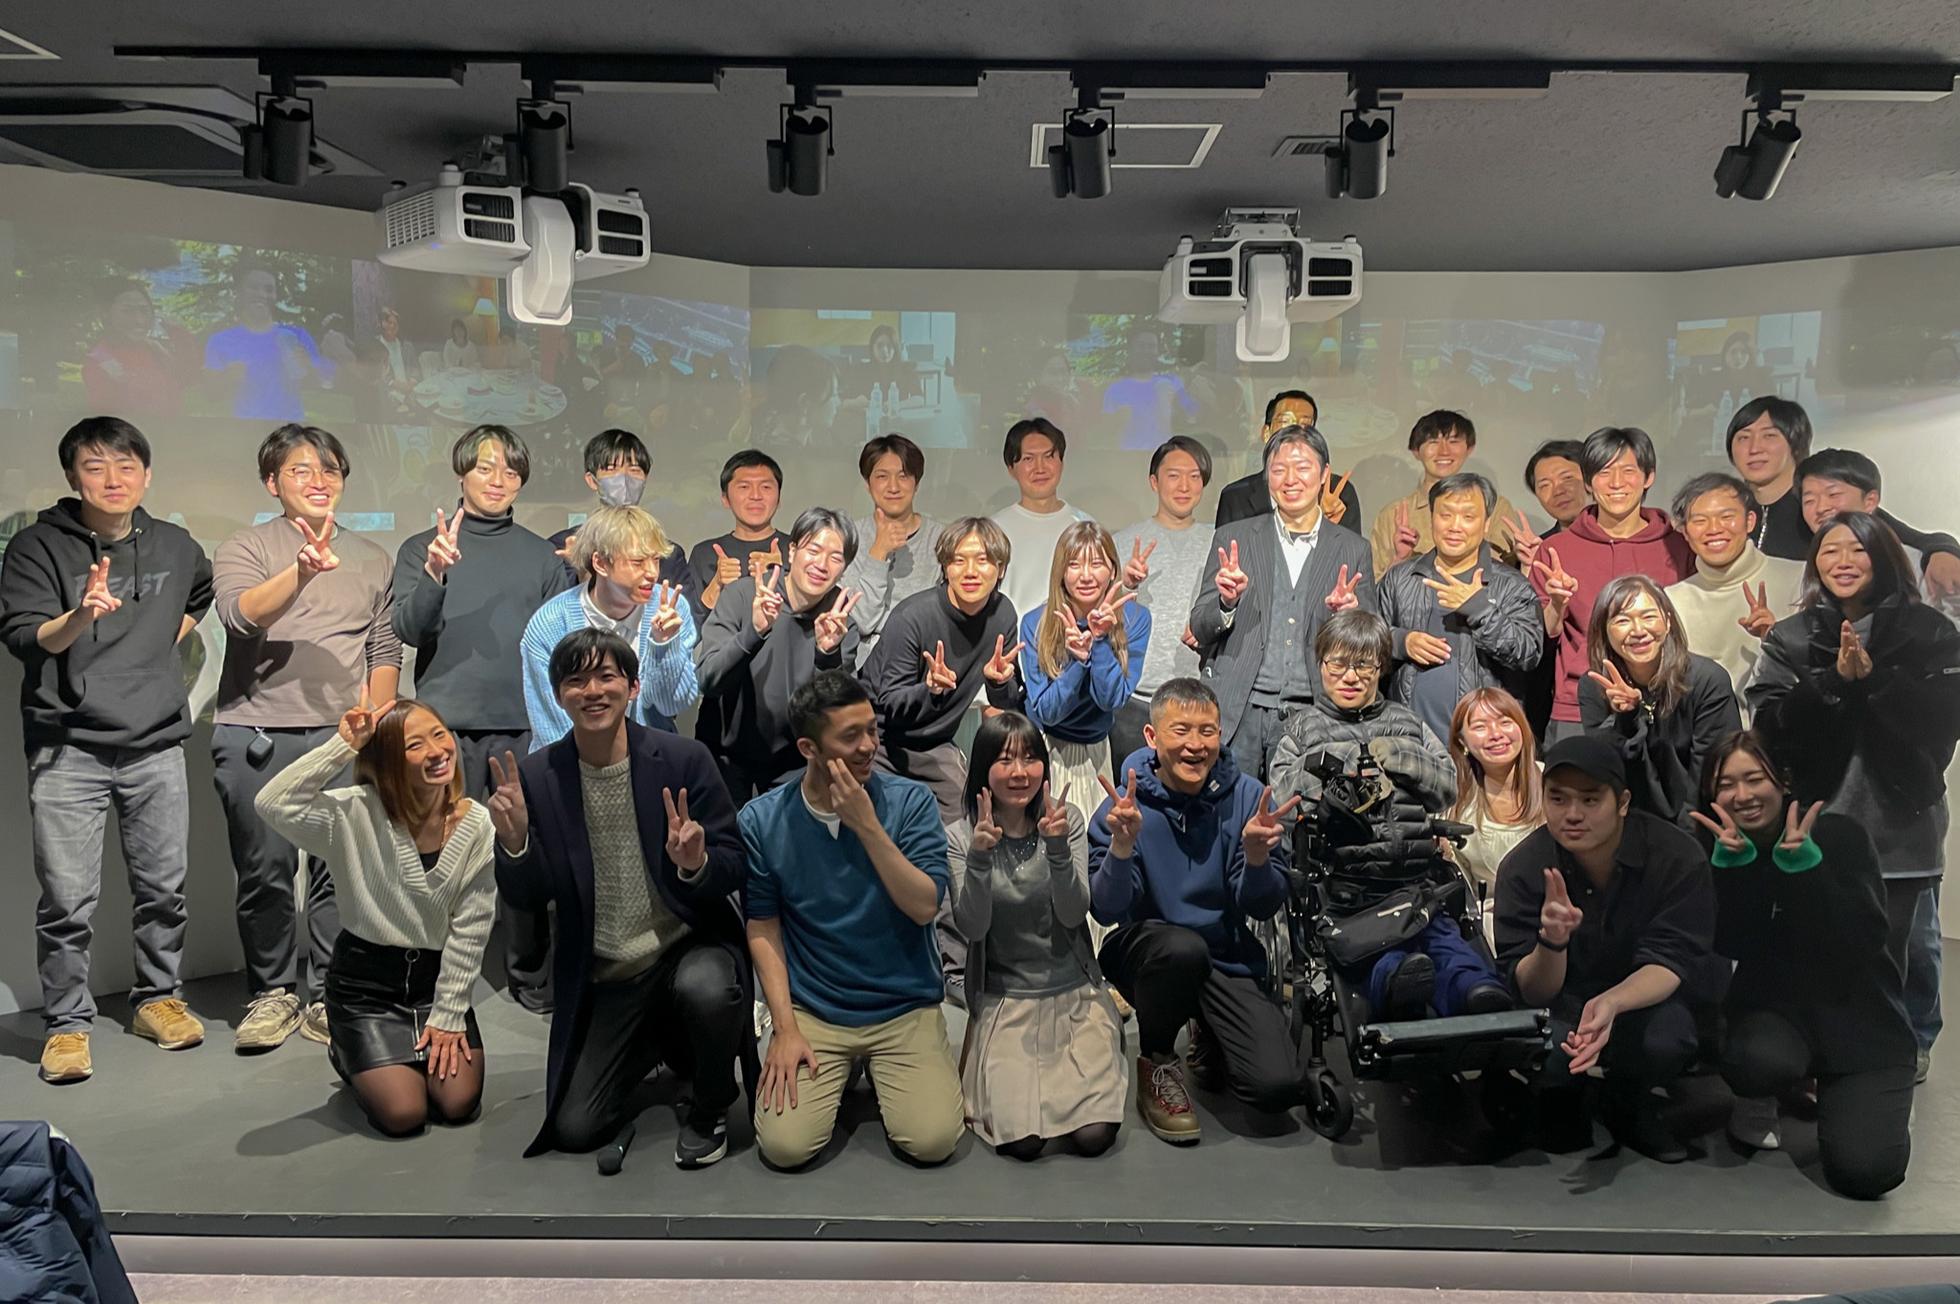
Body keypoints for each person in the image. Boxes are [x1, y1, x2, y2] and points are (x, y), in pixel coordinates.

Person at [0, 417, 214, 1084]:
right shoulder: (35, 546)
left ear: (146, 474)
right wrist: (83, 617)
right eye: (95, 467)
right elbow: (24, 637)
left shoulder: (175, 544)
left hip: (155, 742)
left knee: (164, 889)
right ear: (73, 477)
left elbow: (200, 595)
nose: (113, 479)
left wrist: (153, 651)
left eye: (126, 466)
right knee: (67, 901)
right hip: (67, 747)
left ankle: (159, 998)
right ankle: (67, 1024)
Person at [490, 629, 750, 1166]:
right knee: (575, 1128)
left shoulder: (683, 759)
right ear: (558, 694)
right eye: (576, 680)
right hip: (608, 973)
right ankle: (655, 1043)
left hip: (684, 950)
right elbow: (528, 897)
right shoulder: (539, 777)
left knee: (707, 988)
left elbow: (735, 862)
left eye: (606, 676)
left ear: (632, 687)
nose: (592, 691)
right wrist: (515, 844)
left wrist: (696, 862)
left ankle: (711, 1106)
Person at [1748, 511, 1960, 1084]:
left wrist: (1877, 682)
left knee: (1896, 949)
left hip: (1903, 817)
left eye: (1857, 549)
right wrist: (1835, 683)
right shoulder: (1793, 635)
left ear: (1883, 556)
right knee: (1819, 943)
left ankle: (1894, 1056)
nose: (1842, 562)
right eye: (1829, 551)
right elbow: (1769, 724)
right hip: (1818, 817)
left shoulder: (1929, 631)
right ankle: (1828, 1054)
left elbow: (1944, 720)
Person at [211, 424, 401, 1053]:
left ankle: (327, 993)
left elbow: (383, 647)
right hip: (257, 733)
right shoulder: (247, 545)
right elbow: (241, 617)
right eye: (300, 470)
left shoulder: (371, 556)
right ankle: (272, 993)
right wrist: (300, 570)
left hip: (342, 739)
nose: (319, 482)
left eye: (330, 471)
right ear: (272, 482)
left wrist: (372, 720)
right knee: (264, 871)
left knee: (337, 873)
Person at [743, 671, 963, 1169]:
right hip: (816, 1009)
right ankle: (843, 1070)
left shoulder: (910, 803)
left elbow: (924, 906)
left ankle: (882, 1069)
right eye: (850, 736)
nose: (868, 746)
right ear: (809, 748)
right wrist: (784, 1027)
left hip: (903, 1004)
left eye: (871, 730)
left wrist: (866, 826)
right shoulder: (762, 820)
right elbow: (763, 926)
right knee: (785, 1147)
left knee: (931, 1142)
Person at [253, 692, 494, 1136]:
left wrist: (449, 1014)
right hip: (365, 990)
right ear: (387, 760)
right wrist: (344, 744)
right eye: (415, 744)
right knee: (404, 1115)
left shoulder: (475, 822)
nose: (437, 751)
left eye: (440, 735)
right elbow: (273, 803)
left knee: (457, 1103)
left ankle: (393, 1057)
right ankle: (347, 1049)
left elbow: (471, 928)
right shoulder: (354, 813)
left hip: (435, 984)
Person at [1690, 731, 1914, 1199]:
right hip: (1777, 1015)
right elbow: (1731, 943)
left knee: (1867, 1172)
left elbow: (1865, 940)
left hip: (1862, 1021)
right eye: (1726, 784)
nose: (1742, 795)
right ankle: (1762, 1097)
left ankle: (1860, 1101)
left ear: (1783, 781)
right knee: (1755, 1061)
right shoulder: (1720, 848)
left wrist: (1808, 874)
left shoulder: (1839, 834)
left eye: (1755, 778)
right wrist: (1736, 875)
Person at [392, 425, 570, 1013]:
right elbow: (408, 630)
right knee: (436, 858)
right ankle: (432, 978)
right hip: (442, 730)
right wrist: (435, 575)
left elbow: (559, 644)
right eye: (486, 468)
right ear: (461, 473)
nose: (499, 481)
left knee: (522, 857)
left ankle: (530, 977)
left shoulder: (540, 555)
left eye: (511, 472)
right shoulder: (424, 548)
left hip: (524, 727)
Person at [1270, 611, 1513, 1021]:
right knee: (1384, 958)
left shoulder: (1407, 722)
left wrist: (1402, 756)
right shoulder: (1301, 729)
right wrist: (1344, 761)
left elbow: (1448, 786)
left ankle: (1476, 992)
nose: (1351, 676)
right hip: (1347, 893)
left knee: (1448, 946)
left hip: (1416, 882)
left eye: (1364, 665)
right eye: (1338, 664)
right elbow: (1281, 800)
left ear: (1381, 666)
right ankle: (1399, 983)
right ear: (1321, 664)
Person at [1088, 677, 1299, 1143]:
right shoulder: (1125, 804)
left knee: (1277, 1088)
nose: (1195, 745)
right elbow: (1106, 908)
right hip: (1150, 951)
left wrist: (1258, 859)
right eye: (1180, 730)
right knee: (1182, 950)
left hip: (1225, 955)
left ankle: (1208, 1028)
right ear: (1152, 737)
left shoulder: (1248, 797)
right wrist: (1121, 847)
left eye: (1207, 731)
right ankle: (1158, 1060)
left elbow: (1263, 905)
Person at [1492, 734, 1716, 1162]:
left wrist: (1612, 1002)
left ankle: (1627, 1097)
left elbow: (1671, 959)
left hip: (1641, 999)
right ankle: (1564, 1095)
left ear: (1623, 802)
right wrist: (1552, 941)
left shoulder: (1675, 857)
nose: (1573, 814)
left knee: (1669, 1040)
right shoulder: (1523, 867)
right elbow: (1531, 989)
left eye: (1591, 800)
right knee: (1545, 1050)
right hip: (1561, 1003)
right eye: (1558, 799)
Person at [947, 712, 1124, 1159]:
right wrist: (979, 858)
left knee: (1095, 1136)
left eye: (1030, 758)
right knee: (1022, 1142)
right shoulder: (960, 835)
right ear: (982, 768)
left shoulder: (1067, 819)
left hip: (1073, 994)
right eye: (1005, 760)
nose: (1020, 772)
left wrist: (1059, 849)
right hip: (1006, 1000)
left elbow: (1073, 912)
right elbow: (972, 927)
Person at [1190, 423, 1375, 779]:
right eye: (1278, 469)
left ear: (1324, 474)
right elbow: (1200, 626)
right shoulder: (1234, 538)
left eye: (1302, 467)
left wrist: (1350, 618)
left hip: (1314, 712)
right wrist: (1226, 602)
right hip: (1238, 710)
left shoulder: (1353, 549)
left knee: (1300, 812)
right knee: (1232, 810)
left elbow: (1372, 643)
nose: (1290, 479)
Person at [1530, 426, 1696, 744]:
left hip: (1665, 703)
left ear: (1648, 477)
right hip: (1578, 708)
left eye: (1628, 471)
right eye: (1604, 472)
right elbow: (1540, 640)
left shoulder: (1677, 546)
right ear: (1589, 482)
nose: (1616, 483)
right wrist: (1557, 605)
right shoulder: (1556, 549)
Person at [861, 517, 1026, 820]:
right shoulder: (912, 617)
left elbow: (1007, 701)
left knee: (968, 818)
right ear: (945, 567)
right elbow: (889, 704)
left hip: (935, 745)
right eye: (958, 560)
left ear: (1001, 568)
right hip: (879, 741)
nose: (970, 571)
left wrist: (999, 683)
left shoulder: (1003, 614)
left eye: (983, 560)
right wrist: (930, 690)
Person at [697, 508, 861, 802]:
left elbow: (834, 717)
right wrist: (754, 631)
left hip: (795, 765)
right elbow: (708, 680)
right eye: (813, 551)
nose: (821, 565)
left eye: (835, 558)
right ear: (792, 551)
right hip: (724, 755)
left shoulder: (839, 624)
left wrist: (827, 654)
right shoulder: (744, 595)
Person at [1728, 398, 1960, 604]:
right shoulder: (1729, 511)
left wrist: (1942, 551)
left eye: (1769, 436)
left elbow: (1917, 540)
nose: (1754, 448)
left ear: (1795, 444)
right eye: (1743, 438)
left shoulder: (1819, 509)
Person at [1375, 471, 1543, 742]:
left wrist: (1479, 609)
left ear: (1486, 524)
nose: (1455, 526)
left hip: (1486, 742)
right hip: (1410, 741)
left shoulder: (1511, 585)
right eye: (1445, 515)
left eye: (1468, 517)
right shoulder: (1400, 578)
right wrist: (1401, 642)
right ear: (1432, 518)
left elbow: (1528, 653)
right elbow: (1367, 639)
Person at [520, 505, 699, 745]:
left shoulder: (670, 609)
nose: (652, 573)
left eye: (656, 560)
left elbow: (671, 704)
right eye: (637, 562)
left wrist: (664, 645)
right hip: (570, 759)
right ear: (601, 563)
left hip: (651, 755)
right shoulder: (552, 622)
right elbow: (551, 726)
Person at [1579, 575, 1741, 828]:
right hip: (1627, 826)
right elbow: (1606, 772)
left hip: (1700, 825)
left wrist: (1680, 843)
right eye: (1622, 620)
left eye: (1648, 617)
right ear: (1604, 630)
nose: (1638, 631)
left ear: (1667, 622)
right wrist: (1626, 718)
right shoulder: (1596, 686)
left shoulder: (1708, 680)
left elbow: (1712, 773)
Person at [1020, 522, 1151, 828]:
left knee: (1097, 840)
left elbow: (1111, 700)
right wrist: (1077, 661)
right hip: (1047, 749)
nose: (1086, 575)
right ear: (1060, 573)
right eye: (1074, 564)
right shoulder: (1036, 623)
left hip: (1098, 750)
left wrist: (1101, 641)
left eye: (1097, 564)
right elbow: (1048, 712)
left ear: (1113, 569)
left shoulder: (1135, 619)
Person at [1110, 436, 1215, 764]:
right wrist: (1126, 585)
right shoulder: (1123, 542)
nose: (1184, 486)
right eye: (1173, 475)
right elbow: (1100, 615)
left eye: (1194, 476)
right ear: (1154, 482)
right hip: (1136, 700)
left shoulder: (1219, 541)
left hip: (1200, 696)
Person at [1663, 472, 1804, 710]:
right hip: (1706, 730)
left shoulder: (1798, 578)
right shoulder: (1673, 599)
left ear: (1750, 521)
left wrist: (1777, 637)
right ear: (1685, 532)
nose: (1714, 529)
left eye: (1726, 517)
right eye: (1700, 521)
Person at [546, 429, 701, 616]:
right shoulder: (563, 546)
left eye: (634, 470)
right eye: (612, 469)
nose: (624, 479)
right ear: (592, 480)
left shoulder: (667, 553)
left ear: (645, 479)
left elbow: (688, 618)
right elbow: (551, 615)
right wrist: (582, 572)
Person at [1797, 447, 1960, 610]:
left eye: (1833, 494)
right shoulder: (1810, 569)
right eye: (1809, 501)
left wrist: (1943, 547)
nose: (1821, 508)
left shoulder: (1916, 565)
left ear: (1870, 501)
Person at [1368, 410, 1520, 577]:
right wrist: (1400, 558)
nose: (1444, 451)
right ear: (1416, 451)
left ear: (1469, 448)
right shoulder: (1392, 514)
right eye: (1433, 442)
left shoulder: (1496, 507)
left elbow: (1506, 575)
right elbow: (1375, 585)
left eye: (1453, 441)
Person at [839, 434, 946, 666]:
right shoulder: (849, 537)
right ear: (867, 484)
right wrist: (878, 552)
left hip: (923, 664)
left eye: (903, 476)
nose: (893, 486)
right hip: (863, 666)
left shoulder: (941, 539)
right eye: (882, 476)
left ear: (917, 483)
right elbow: (862, 622)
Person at [1445, 688, 1545, 919]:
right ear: (1462, 741)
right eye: (1480, 727)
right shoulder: (1455, 805)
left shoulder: (1554, 785)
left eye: (1505, 722)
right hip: (1488, 923)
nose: (1495, 734)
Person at [1513, 439, 1589, 738]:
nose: (1558, 490)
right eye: (1544, 485)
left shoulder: (1622, 541)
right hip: (1556, 702)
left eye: (1567, 478)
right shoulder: (1537, 551)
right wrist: (1527, 570)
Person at [203, 261, 333, 422]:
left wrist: (308, 367)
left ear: (276, 296)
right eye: (253, 287)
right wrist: (228, 377)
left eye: (269, 289)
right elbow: (211, 395)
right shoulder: (219, 340)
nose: (262, 294)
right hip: (243, 430)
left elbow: (321, 385)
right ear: (239, 292)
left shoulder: (296, 336)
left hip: (291, 429)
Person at [1213, 391, 1362, 532]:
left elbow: (1352, 550)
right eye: (1285, 421)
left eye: (1304, 424)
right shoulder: (1235, 497)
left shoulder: (1338, 494)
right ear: (1266, 433)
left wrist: (1323, 525)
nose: (1294, 431)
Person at [994, 418, 1092, 620]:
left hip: (1071, 637)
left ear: (1061, 462)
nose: (1040, 468)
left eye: (1049, 456)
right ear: (1011, 468)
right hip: (1011, 638)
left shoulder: (1083, 526)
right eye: (1028, 459)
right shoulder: (994, 529)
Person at [686, 451, 790, 612]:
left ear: (779, 498)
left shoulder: (799, 551)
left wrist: (782, 577)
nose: (756, 495)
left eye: (766, 487)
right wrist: (717, 585)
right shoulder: (704, 554)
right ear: (725, 499)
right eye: (744, 487)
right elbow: (689, 621)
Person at [82, 280, 193, 418]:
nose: (139, 320)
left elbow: (188, 378)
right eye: (127, 311)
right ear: (106, 314)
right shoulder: (100, 360)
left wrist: (181, 336)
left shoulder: (156, 351)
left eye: (144, 311)